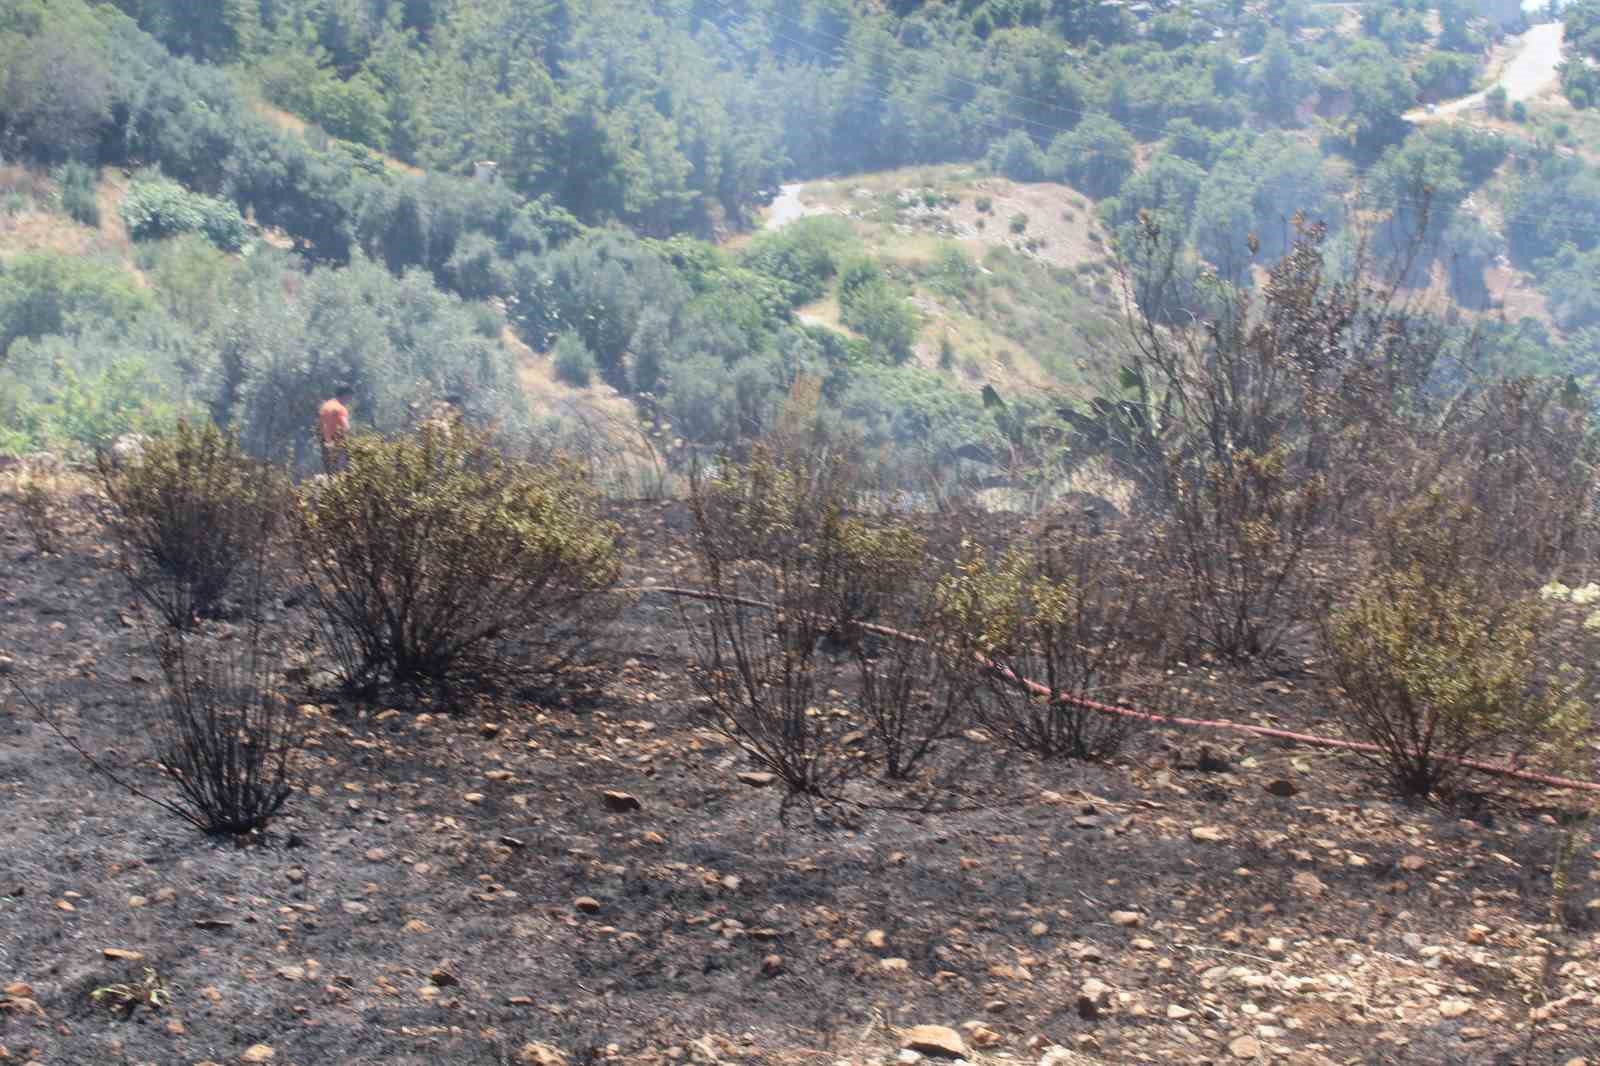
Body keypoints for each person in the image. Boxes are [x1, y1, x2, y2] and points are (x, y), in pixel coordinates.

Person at [318, 385, 354, 474]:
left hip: (325, 443)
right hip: (338, 443)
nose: (350, 400)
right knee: (341, 472)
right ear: (345, 395)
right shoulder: (340, 409)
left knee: (330, 472)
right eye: (350, 397)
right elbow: (346, 428)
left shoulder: (325, 406)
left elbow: (321, 425)